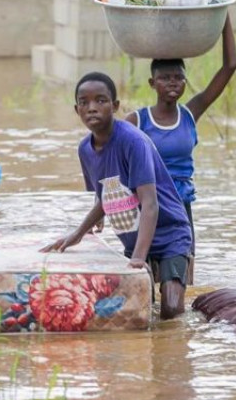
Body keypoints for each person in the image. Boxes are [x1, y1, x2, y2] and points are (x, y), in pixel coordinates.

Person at [41, 72, 193, 320]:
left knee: (172, 311)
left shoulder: (133, 142)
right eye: (84, 102)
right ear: (76, 108)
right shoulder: (85, 149)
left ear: (115, 106)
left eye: (100, 100)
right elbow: (106, 197)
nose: (92, 108)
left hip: (169, 234)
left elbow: (150, 204)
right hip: (134, 239)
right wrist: (78, 233)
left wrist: (138, 258)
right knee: (138, 312)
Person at [124, 15, 236, 282]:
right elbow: (115, 166)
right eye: (165, 78)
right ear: (152, 84)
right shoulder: (137, 121)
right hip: (144, 208)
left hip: (180, 207)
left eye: (178, 78)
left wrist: (223, 16)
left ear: (186, 82)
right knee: (145, 282)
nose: (173, 83)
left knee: (182, 284)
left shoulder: (190, 114)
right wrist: (103, 209)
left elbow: (230, 66)